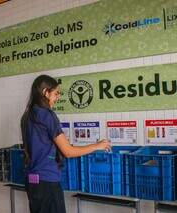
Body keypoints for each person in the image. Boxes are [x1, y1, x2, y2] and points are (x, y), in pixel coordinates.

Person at [20, 75, 111, 213]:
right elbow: (68, 151)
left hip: (32, 181)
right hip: (47, 181)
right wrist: (97, 146)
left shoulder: (27, 116)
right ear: (45, 92)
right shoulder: (47, 115)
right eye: (56, 93)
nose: (57, 97)